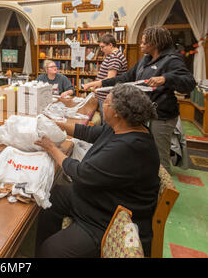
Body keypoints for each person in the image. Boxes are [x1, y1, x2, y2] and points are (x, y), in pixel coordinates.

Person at [34, 84, 160, 258]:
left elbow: (81, 173)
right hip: (98, 199)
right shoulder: (122, 127)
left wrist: (52, 149)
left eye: (106, 103)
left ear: (117, 112)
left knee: (52, 250)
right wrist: (55, 123)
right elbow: (89, 132)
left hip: (107, 218)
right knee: (52, 197)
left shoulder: (130, 147)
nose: (102, 105)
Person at [83, 26, 196, 172]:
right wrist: (101, 83)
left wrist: (165, 78)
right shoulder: (144, 60)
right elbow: (126, 77)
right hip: (144, 114)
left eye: (144, 43)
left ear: (155, 43)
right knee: (144, 153)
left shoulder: (171, 60)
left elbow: (189, 82)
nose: (141, 45)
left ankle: (161, 191)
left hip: (161, 116)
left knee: (159, 158)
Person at [93, 34, 127, 121]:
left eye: (103, 47)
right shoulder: (112, 55)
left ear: (110, 45)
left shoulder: (115, 57)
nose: (101, 50)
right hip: (105, 95)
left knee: (107, 122)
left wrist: (95, 85)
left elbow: (110, 79)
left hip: (107, 97)